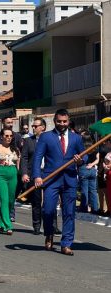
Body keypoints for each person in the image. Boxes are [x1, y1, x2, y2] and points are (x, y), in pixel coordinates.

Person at [33, 109, 86, 256]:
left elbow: (84, 157)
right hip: (51, 179)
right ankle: (49, 233)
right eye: (59, 121)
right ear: (55, 121)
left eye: (65, 121)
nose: (62, 124)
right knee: (48, 210)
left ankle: (66, 244)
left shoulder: (76, 138)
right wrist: (37, 176)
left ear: (68, 121)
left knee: (69, 212)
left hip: (69, 179)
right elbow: (37, 157)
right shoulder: (46, 137)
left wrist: (80, 160)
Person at [21, 117, 60, 235]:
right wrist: (24, 173)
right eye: (32, 126)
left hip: (49, 173)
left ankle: (53, 226)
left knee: (51, 201)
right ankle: (36, 225)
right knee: (36, 201)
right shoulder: (29, 141)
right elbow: (24, 158)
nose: (33, 128)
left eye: (35, 126)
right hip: (35, 174)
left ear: (43, 127)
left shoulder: (52, 139)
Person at [0, 128, 20, 235]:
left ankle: (0, 222)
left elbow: (18, 166)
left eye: (11, 136)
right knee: (4, 199)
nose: (9, 138)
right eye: (6, 136)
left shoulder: (16, 149)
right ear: (1, 136)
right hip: (0, 174)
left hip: (13, 175)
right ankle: (8, 226)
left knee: (11, 201)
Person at [78, 133, 99, 213]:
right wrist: (92, 165)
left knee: (84, 191)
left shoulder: (82, 148)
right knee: (93, 191)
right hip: (93, 169)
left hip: (84, 168)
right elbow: (97, 159)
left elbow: (80, 160)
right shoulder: (95, 147)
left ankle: (84, 208)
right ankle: (95, 209)